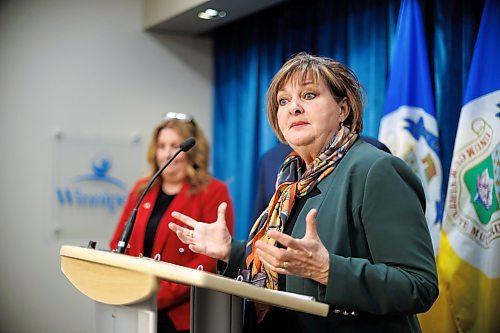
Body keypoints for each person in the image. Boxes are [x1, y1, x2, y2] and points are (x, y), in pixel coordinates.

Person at [168, 53, 438, 332]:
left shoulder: (376, 170)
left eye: (309, 95)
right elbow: (289, 266)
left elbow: (418, 285)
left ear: (343, 108)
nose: (293, 108)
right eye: (283, 101)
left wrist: (328, 270)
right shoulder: (289, 180)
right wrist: (232, 252)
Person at [109, 113, 235, 333]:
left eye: (175, 145)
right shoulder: (142, 189)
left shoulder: (213, 192)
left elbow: (209, 260)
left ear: (190, 152)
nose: (167, 153)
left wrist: (156, 293)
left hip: (180, 315)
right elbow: (118, 243)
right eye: (161, 145)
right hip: (132, 304)